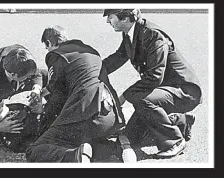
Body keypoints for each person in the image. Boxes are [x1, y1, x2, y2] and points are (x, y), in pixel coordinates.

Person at [102, 9, 202, 158]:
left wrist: (123, 97)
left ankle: (175, 141)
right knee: (131, 137)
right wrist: (92, 71)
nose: (107, 21)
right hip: (164, 89)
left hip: (184, 91)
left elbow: (155, 76)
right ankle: (181, 121)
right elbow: (118, 58)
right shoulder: (131, 32)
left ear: (124, 18)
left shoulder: (153, 35)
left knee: (140, 98)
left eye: (110, 17)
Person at [25, 25, 128, 163]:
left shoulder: (56, 55)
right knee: (79, 139)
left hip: (86, 115)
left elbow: (57, 94)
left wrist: (44, 117)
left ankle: (74, 156)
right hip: (111, 118)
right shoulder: (90, 51)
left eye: (46, 47)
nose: (47, 50)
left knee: (34, 151)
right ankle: (116, 147)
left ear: (49, 43)